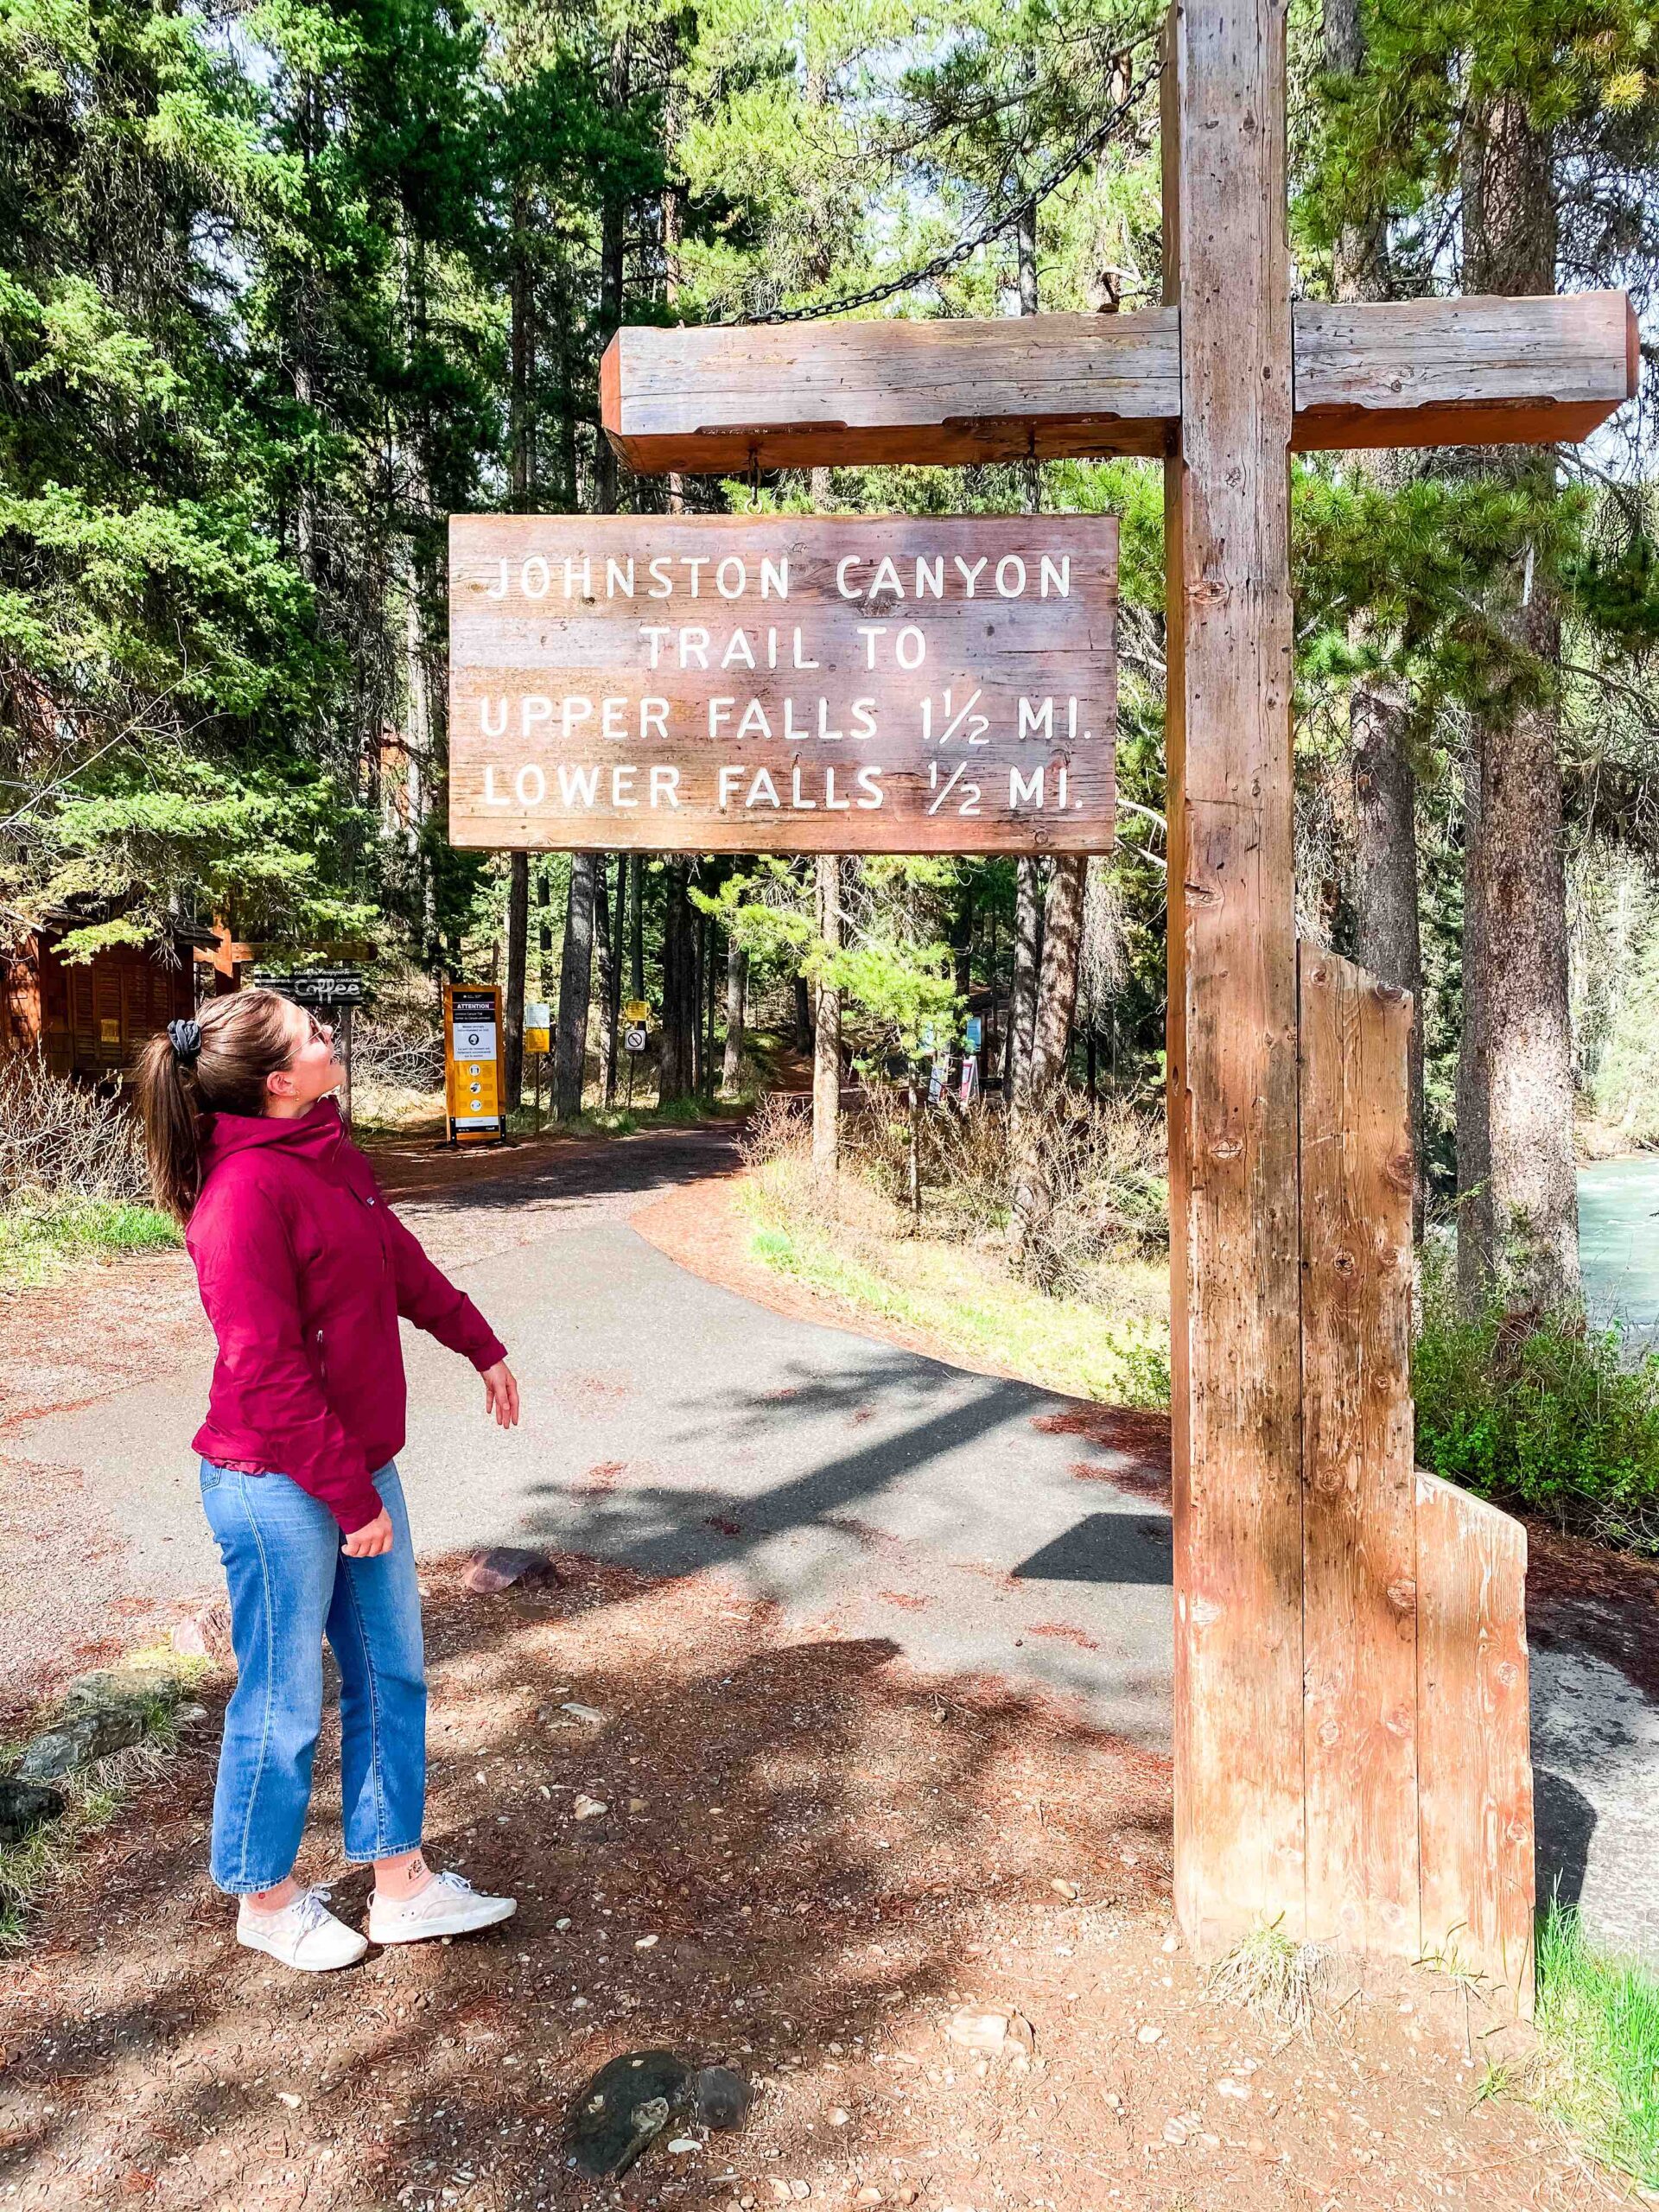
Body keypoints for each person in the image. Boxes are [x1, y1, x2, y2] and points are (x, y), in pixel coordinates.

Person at [135, 988, 523, 1973]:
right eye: (313, 1032)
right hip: (275, 1483)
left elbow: (397, 1262)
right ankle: (264, 1897)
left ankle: (402, 1883)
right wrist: (351, 1502)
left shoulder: (327, 1152)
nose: (329, 1036)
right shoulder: (240, 1199)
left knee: (392, 1671)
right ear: (275, 1082)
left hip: (355, 1471)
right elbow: (265, 1368)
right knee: (282, 1697)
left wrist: (478, 1343)